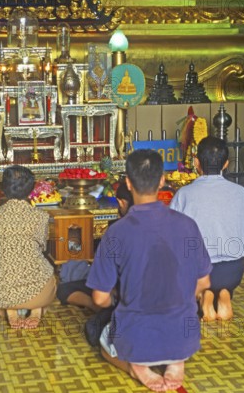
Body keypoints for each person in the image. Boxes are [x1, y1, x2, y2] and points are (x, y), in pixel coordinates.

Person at [86, 149, 212, 392]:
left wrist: (119, 298)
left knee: (98, 337)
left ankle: (137, 367)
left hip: (136, 338)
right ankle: (176, 361)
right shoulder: (188, 225)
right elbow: (204, 282)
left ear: (128, 183)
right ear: (162, 181)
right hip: (183, 337)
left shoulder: (117, 232)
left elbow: (99, 299)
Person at [170, 137, 244, 321]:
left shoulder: (184, 194)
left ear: (196, 162)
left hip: (198, 274)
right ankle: (224, 294)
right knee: (223, 280)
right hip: (232, 272)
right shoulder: (240, 192)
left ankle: (203, 296)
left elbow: (170, 235)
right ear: (226, 164)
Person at [0, 166, 56, 329]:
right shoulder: (41, 217)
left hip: (2, 293)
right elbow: (42, 246)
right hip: (40, 291)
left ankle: (10, 309)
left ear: (3, 188)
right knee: (43, 268)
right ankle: (36, 308)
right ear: (31, 189)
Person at [57, 181, 134, 313]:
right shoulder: (165, 225)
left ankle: (96, 307)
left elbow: (106, 273)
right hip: (152, 298)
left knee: (64, 287)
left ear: (121, 203)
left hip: (119, 295)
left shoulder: (117, 229)